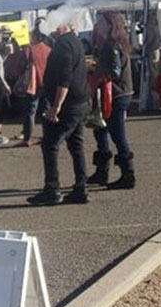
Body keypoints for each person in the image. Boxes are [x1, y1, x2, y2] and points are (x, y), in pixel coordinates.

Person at [28, 18, 91, 206]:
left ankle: (52, 189)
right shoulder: (74, 41)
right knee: (76, 145)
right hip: (81, 102)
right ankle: (81, 188)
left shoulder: (63, 44)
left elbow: (64, 79)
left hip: (70, 105)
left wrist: (55, 108)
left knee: (50, 144)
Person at [89, 12, 136, 189]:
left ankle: (128, 174)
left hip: (116, 93)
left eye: (101, 23)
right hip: (118, 92)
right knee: (100, 129)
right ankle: (102, 171)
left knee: (117, 133)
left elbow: (114, 72)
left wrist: (96, 71)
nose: (97, 26)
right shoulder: (113, 44)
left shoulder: (112, 46)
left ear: (110, 26)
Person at [15, 19, 50, 146]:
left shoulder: (29, 49)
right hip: (46, 83)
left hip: (33, 84)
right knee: (46, 111)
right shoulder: (48, 49)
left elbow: (20, 66)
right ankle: (47, 136)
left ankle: (27, 138)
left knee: (30, 112)